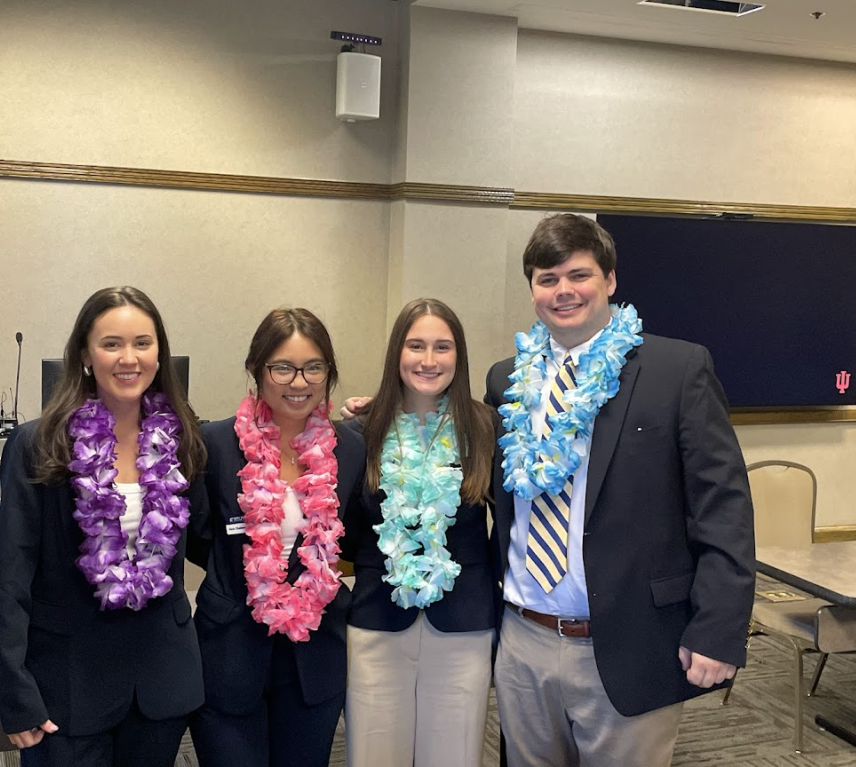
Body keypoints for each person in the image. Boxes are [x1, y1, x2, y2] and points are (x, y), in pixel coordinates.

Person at [486, 214, 755, 767]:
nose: (563, 291)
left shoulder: (676, 369)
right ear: (532, 290)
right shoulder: (506, 380)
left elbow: (722, 506)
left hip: (632, 638)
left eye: (578, 275)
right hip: (524, 636)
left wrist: (719, 627)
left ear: (609, 279)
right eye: (546, 278)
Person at [0, 286, 208, 766]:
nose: (128, 358)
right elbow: (11, 574)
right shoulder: (40, 443)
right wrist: (15, 687)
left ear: (160, 354)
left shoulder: (182, 438)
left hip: (159, 678)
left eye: (143, 343)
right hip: (68, 680)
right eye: (111, 344)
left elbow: (212, 542)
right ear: (85, 355)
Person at [190, 307, 366, 767]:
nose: (299, 381)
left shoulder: (350, 448)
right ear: (257, 370)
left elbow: (357, 539)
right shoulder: (215, 444)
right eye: (283, 367)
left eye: (313, 367)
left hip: (314, 658)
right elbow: (199, 537)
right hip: (230, 653)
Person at [343, 298, 497, 767]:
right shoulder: (360, 430)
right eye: (416, 346)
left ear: (459, 356)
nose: (429, 360)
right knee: (374, 754)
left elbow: (512, 520)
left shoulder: (486, 427)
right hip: (376, 622)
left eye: (442, 347)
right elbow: (344, 528)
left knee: (453, 755)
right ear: (397, 353)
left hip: (463, 626)